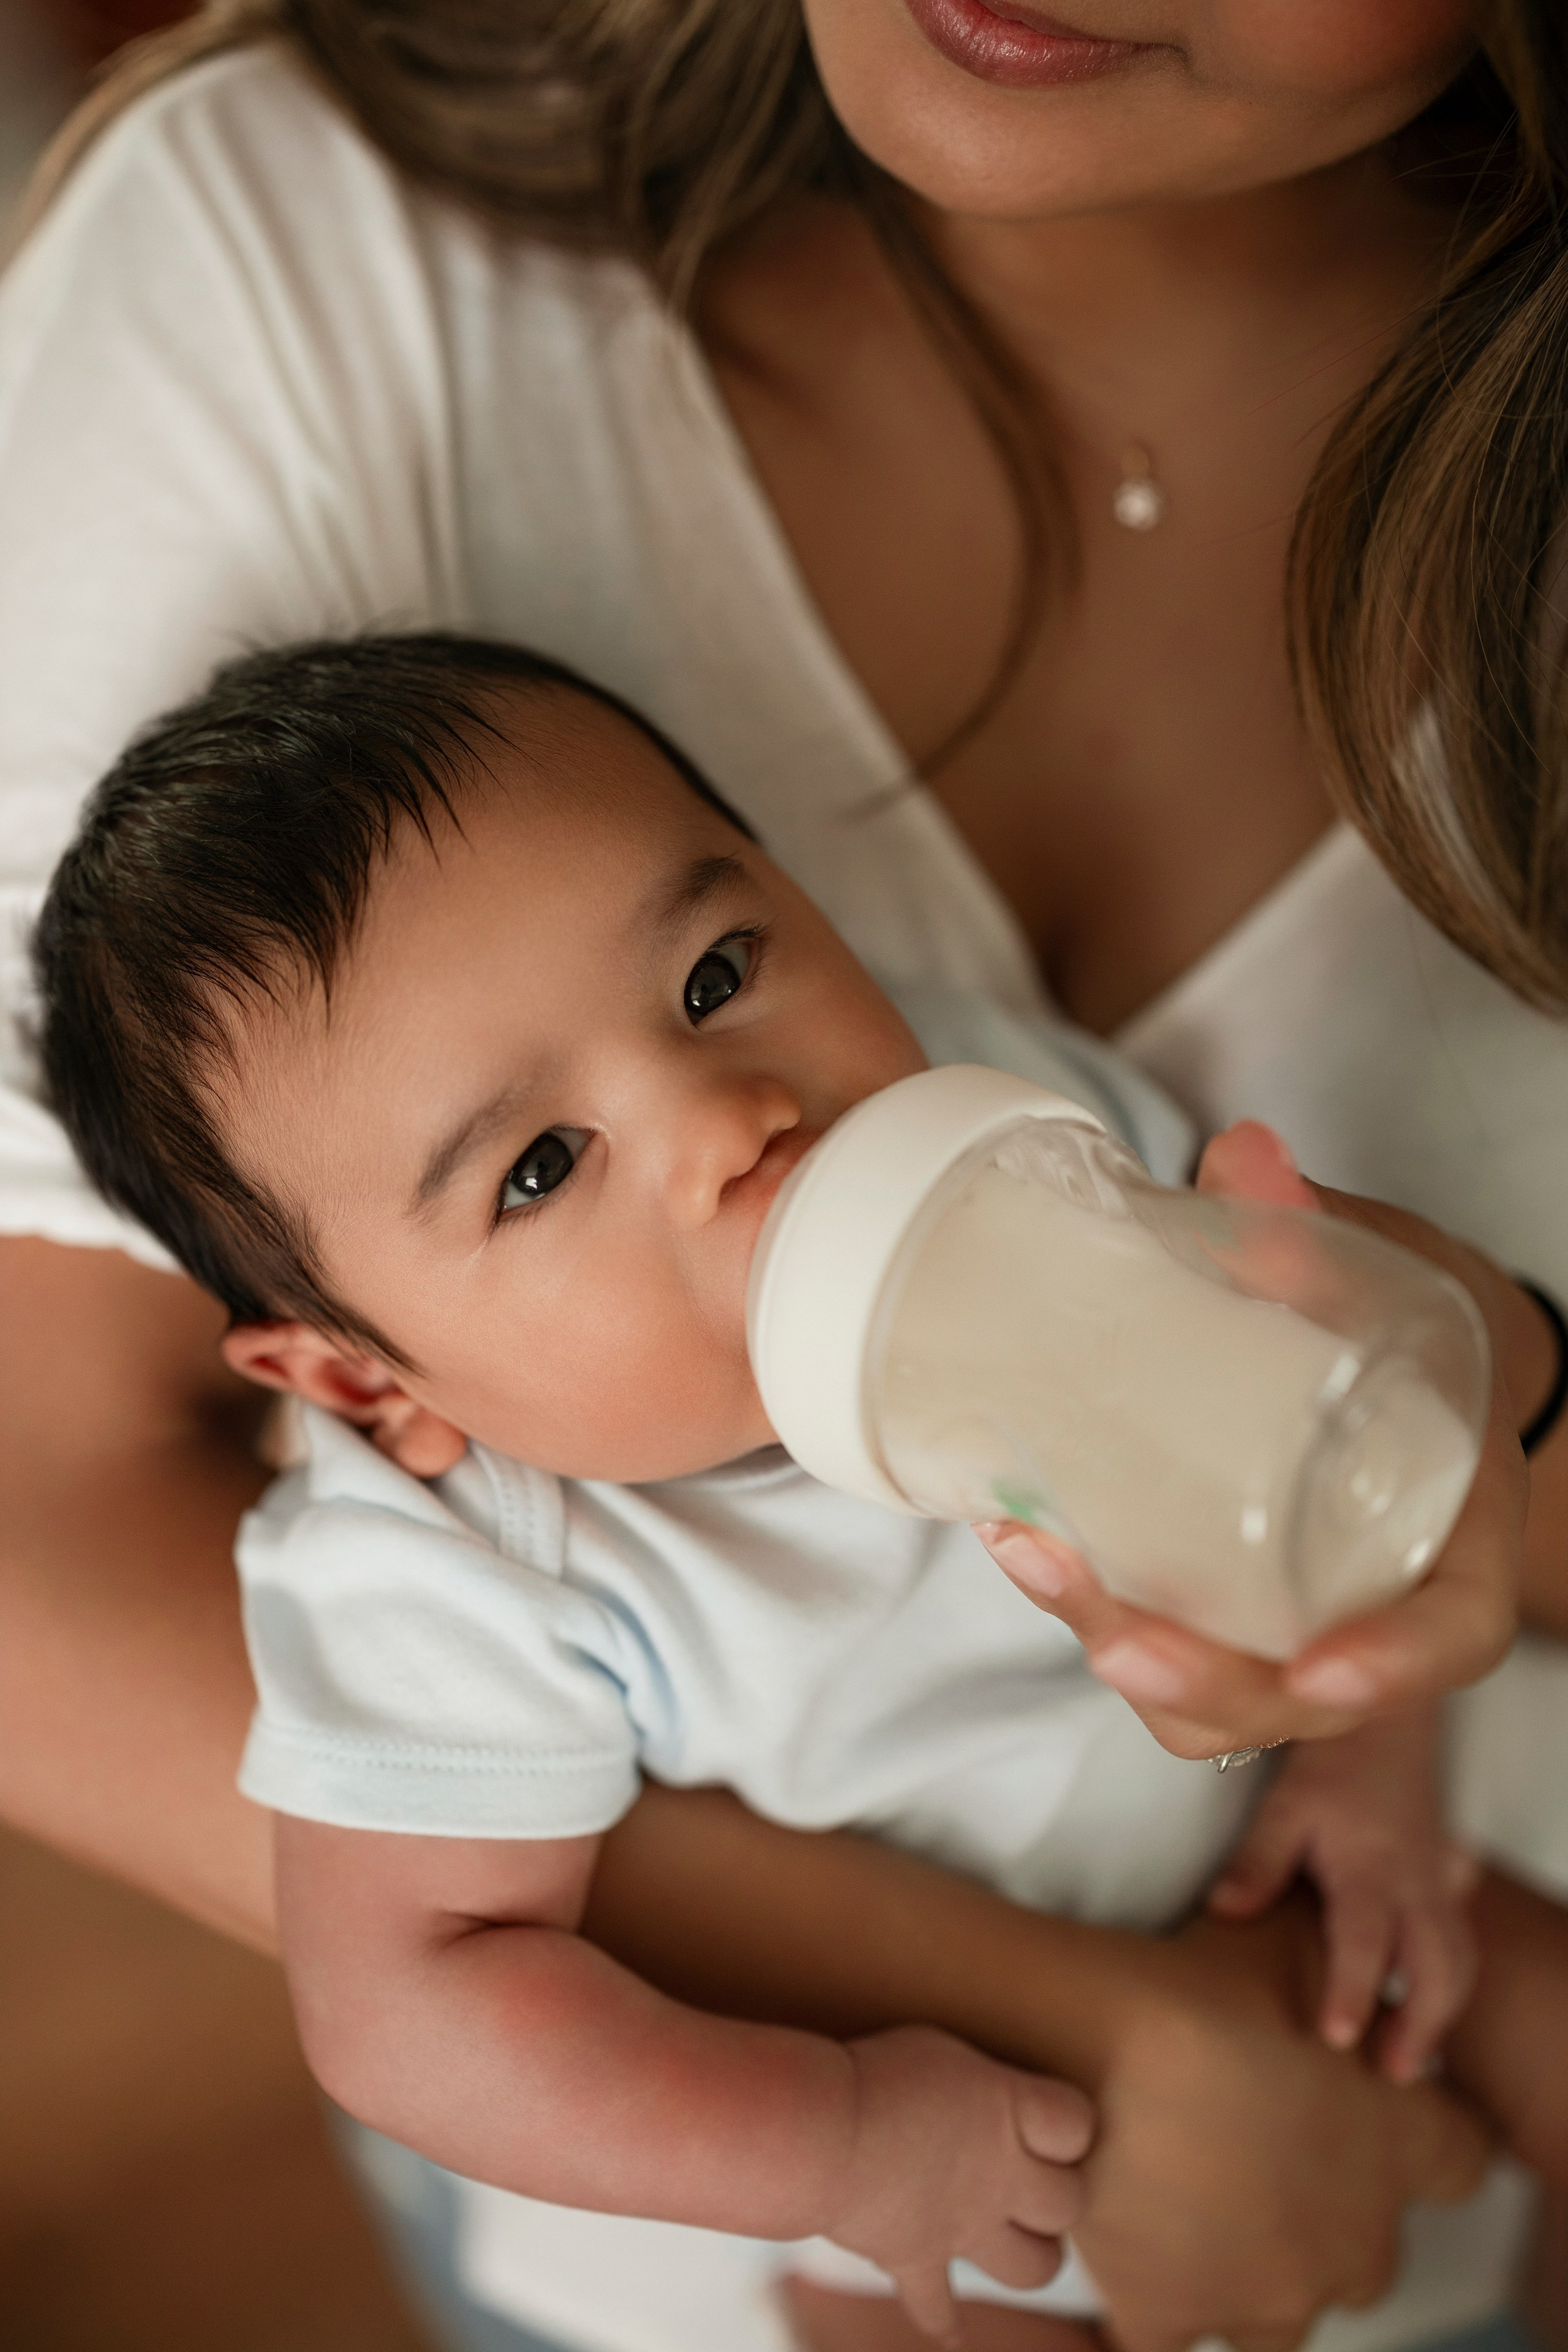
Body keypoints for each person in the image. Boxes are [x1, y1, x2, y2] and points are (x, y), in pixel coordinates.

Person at [2, 4, 1567, 2348]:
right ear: (366, 1379)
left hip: (1318, 2007)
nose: (732, 1123)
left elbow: (1325, 1459)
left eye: (725, 969)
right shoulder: (479, 1561)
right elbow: (416, 1997)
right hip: (844, 2216)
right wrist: (883, 2130)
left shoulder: (1024, 1124)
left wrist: (1378, 1755)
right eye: (542, 1166)